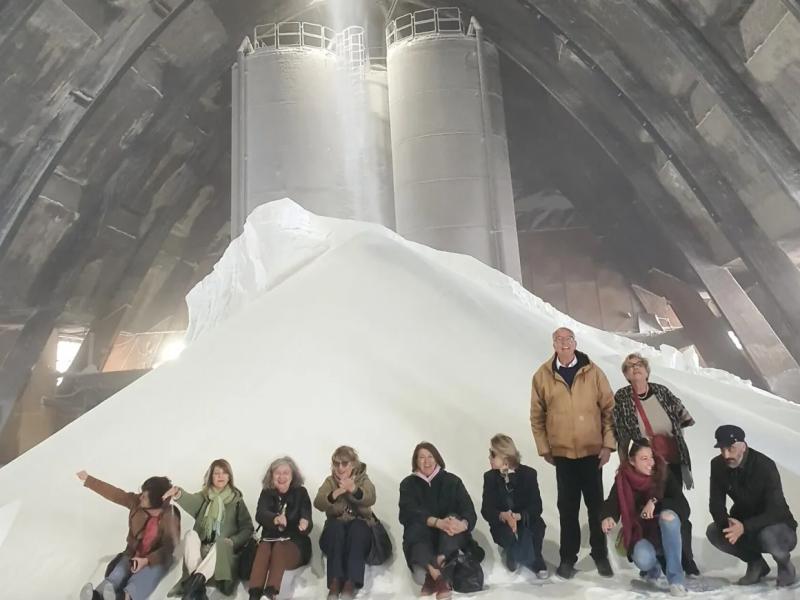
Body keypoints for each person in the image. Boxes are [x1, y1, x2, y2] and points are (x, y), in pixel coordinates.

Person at [530, 326, 615, 579]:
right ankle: (568, 558)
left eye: (568, 339)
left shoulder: (593, 372)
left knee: (596, 507)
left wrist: (608, 445)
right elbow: (537, 416)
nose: (564, 343)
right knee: (567, 508)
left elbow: (609, 409)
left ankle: (600, 554)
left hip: (592, 453)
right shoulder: (542, 376)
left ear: (575, 343)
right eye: (559, 339)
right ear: (553, 344)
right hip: (563, 455)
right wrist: (545, 448)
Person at [612, 353, 699, 575]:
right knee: (646, 509)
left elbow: (684, 417)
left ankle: (684, 557)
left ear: (647, 370)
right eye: (630, 367)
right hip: (645, 462)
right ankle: (656, 555)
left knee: (674, 507)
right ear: (626, 374)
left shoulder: (661, 391)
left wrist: (667, 438)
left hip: (670, 460)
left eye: (639, 365)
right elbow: (618, 430)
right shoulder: (622, 398)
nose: (636, 369)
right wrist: (628, 460)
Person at [705, 425, 797, 587]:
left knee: (768, 536)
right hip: (744, 523)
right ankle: (756, 564)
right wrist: (728, 524)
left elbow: (776, 510)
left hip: (778, 527)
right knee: (714, 531)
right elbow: (716, 504)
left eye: (731, 448)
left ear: (743, 445)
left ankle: (784, 565)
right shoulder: (718, 465)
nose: (726, 455)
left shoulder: (765, 466)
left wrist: (745, 527)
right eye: (722, 449)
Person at [600, 439, 689, 597]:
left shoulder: (663, 473)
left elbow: (683, 505)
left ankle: (676, 580)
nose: (651, 463)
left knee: (669, 517)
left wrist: (656, 503)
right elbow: (612, 502)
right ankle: (653, 567)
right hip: (641, 533)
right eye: (644, 459)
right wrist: (608, 516)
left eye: (651, 457)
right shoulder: (623, 479)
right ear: (632, 462)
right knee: (643, 558)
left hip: (665, 534)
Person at [77, 470, 179, 600]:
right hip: (134, 554)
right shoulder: (137, 503)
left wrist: (146, 560)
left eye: (145, 496)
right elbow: (116, 494)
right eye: (142, 493)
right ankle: (96, 596)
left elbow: (168, 548)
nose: (140, 496)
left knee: (141, 579)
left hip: (155, 561)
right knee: (118, 573)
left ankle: (121, 597)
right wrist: (88, 480)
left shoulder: (170, 516)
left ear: (156, 501)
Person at [399, 442, 482, 600]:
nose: (426, 461)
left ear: (437, 458)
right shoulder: (408, 484)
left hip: (450, 537)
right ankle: (439, 576)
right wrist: (436, 522)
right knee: (414, 526)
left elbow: (469, 511)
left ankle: (436, 571)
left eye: (430, 456)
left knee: (453, 517)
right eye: (421, 457)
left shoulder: (453, 481)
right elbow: (406, 514)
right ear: (415, 461)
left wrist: (461, 524)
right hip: (423, 540)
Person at [163, 459, 254, 599]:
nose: (220, 476)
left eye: (224, 473)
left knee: (221, 543)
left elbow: (248, 528)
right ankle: (197, 587)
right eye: (216, 473)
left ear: (229, 477)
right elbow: (190, 501)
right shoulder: (204, 497)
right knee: (190, 534)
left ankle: (192, 586)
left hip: (222, 555)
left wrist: (233, 541)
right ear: (211, 476)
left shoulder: (237, 501)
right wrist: (177, 492)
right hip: (201, 555)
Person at [481, 434, 548, 578]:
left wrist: (518, 516)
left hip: (524, 519)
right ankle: (511, 551)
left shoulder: (529, 474)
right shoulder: (490, 477)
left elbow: (537, 506)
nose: (489, 458)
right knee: (507, 535)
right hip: (503, 523)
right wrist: (503, 516)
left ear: (505, 457)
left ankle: (536, 556)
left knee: (536, 526)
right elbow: (486, 509)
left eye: (493, 454)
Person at [314, 446, 377, 600]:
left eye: (344, 463)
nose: (340, 468)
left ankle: (350, 583)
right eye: (336, 464)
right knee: (336, 528)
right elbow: (318, 503)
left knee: (357, 528)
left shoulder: (363, 479)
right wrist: (336, 493)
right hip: (336, 530)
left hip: (359, 527)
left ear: (353, 464)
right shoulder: (330, 481)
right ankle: (335, 583)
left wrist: (353, 489)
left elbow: (370, 497)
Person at [248, 456, 313, 600]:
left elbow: (307, 517)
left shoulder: (301, 493)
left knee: (279, 546)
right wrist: (275, 519)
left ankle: (270, 593)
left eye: (286, 473)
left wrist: (305, 523)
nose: (281, 477)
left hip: (295, 547)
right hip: (270, 542)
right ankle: (254, 594)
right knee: (264, 547)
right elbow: (260, 514)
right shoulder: (266, 493)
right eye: (277, 473)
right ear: (271, 476)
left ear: (292, 476)